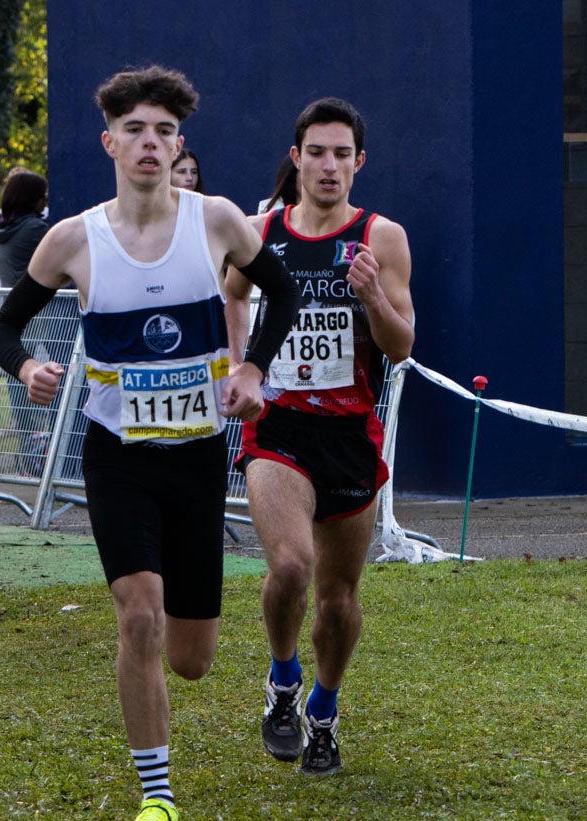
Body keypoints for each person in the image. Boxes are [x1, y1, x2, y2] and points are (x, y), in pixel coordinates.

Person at [0, 66, 300, 821]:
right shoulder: (72, 239)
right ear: (109, 143)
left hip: (195, 459)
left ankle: (249, 687)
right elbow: (2, 327)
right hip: (117, 456)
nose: (149, 143)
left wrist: (252, 367)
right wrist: (27, 367)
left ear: (178, 144)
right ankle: (155, 796)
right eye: (135, 130)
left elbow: (282, 294)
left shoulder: (217, 221)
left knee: (190, 658)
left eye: (163, 131)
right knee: (137, 615)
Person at [224, 97, 415, 778]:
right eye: (316, 152)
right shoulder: (258, 230)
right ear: (296, 157)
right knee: (289, 566)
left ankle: (322, 711)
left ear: (358, 163)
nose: (328, 165)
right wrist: (241, 364)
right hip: (278, 428)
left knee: (336, 599)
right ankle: (281, 681)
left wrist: (372, 298)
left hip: (349, 435)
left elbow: (399, 348)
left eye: (342, 154)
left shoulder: (379, 237)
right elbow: (232, 294)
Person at [0, 171, 52, 437]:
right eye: (42, 195)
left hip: (16, 308)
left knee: (19, 369)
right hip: (43, 313)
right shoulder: (35, 229)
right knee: (54, 369)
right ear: (31, 198)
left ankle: (24, 432)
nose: (46, 200)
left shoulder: (4, 228)